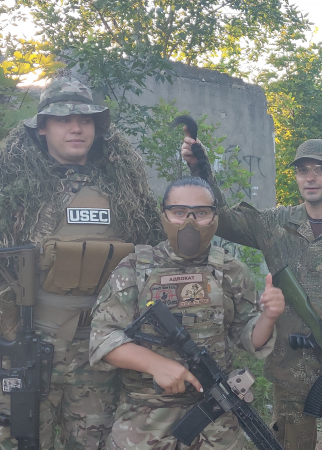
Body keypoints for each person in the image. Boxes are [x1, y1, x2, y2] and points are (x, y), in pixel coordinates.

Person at [0, 77, 165, 450]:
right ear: (42, 127)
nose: (76, 128)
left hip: (99, 354)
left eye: (86, 120)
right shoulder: (8, 192)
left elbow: (153, 269)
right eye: (63, 120)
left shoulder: (126, 194)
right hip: (23, 350)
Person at [180, 137, 322, 449]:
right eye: (303, 170)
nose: (310, 177)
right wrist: (202, 171)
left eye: (320, 169)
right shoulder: (276, 223)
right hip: (290, 372)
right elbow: (224, 221)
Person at [88, 176, 283, 449]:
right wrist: (156, 365)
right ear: (164, 215)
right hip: (145, 420)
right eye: (179, 212)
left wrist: (269, 317)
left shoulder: (230, 270)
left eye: (201, 213)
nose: (189, 222)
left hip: (216, 419)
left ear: (215, 217)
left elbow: (249, 338)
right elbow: (102, 340)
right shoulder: (135, 268)